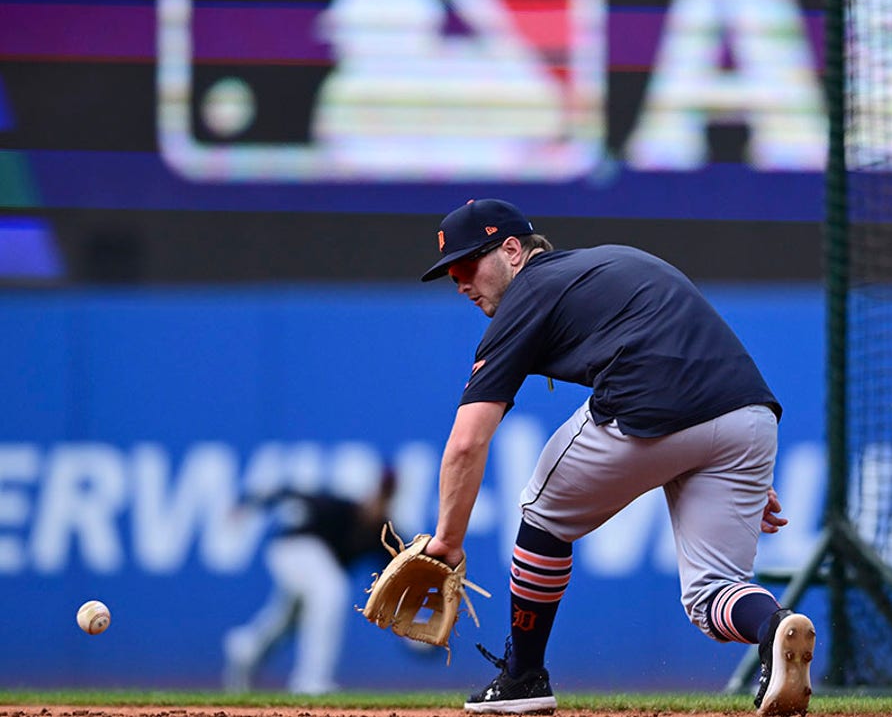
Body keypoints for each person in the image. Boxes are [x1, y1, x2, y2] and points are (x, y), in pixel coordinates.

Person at [416, 198, 816, 716]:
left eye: (468, 264)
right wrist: (733, 457)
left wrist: (447, 542)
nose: (460, 281)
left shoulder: (530, 291)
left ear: (512, 250)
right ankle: (773, 627)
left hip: (654, 404)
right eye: (451, 273)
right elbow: (694, 354)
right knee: (711, 593)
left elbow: (468, 441)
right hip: (748, 415)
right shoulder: (611, 263)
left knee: (542, 513)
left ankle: (521, 679)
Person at [223, 468, 398, 694]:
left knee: (286, 621)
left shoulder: (382, 532)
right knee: (331, 590)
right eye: (378, 494)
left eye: (386, 497)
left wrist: (413, 621)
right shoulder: (343, 508)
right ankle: (311, 680)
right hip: (293, 548)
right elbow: (290, 493)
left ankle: (245, 650)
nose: (379, 502)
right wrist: (248, 503)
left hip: (310, 567)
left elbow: (395, 575)